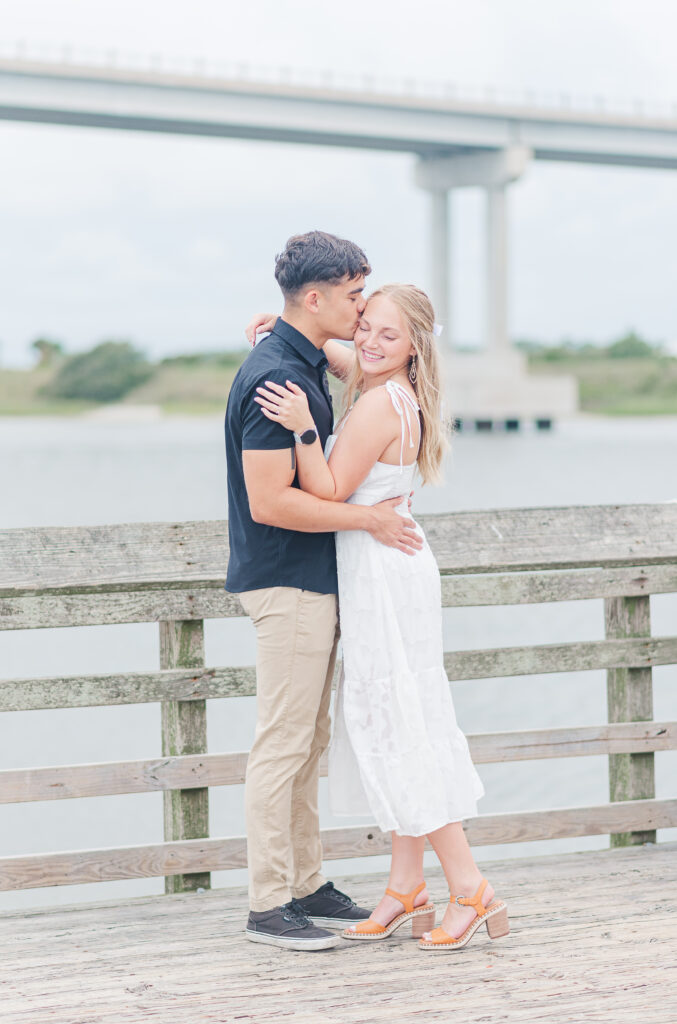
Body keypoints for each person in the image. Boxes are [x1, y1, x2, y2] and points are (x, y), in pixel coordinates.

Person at [249, 283, 509, 951]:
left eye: (385, 335)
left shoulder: (372, 410)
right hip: (389, 569)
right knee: (396, 721)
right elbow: (349, 358)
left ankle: (470, 888)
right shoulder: (395, 389)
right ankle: (404, 888)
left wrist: (304, 427)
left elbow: (329, 489)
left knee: (402, 727)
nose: (366, 340)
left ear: (413, 346)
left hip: (381, 575)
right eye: (363, 324)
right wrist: (290, 335)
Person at [225, 231, 424, 951]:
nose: (361, 305)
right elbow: (270, 502)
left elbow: (356, 360)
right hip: (288, 583)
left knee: (305, 744)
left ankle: (306, 882)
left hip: (314, 581)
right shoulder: (275, 378)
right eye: (351, 294)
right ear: (314, 299)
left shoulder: (300, 360)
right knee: (282, 746)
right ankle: (267, 902)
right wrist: (368, 517)